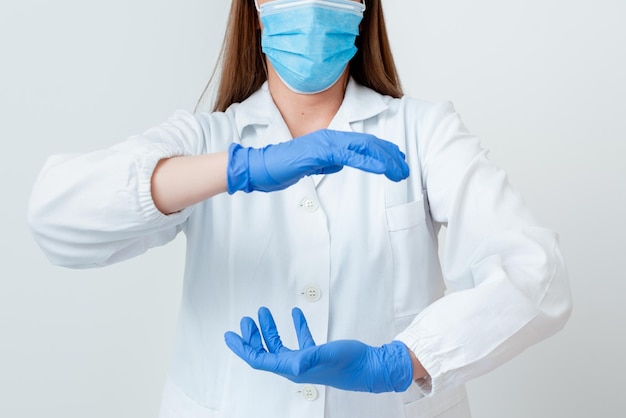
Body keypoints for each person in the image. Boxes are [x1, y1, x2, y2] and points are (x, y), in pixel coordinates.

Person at [27, 0, 572, 417]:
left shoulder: (425, 132)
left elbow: (534, 274)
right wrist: (242, 168)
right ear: (256, 9)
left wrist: (401, 361)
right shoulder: (207, 138)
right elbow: (55, 217)